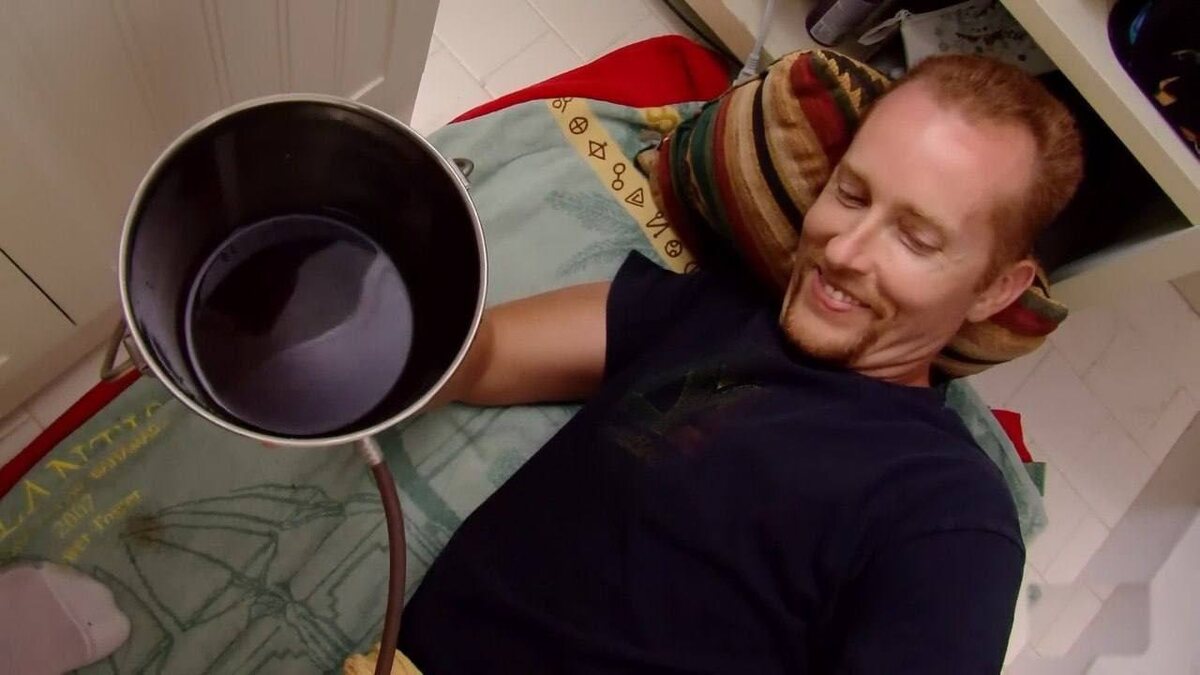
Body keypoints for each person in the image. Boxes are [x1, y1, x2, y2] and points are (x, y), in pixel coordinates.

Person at [397, 54, 1083, 673]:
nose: (844, 251)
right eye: (850, 194)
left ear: (995, 289)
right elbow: (481, 353)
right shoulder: (713, 314)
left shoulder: (949, 511)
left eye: (915, 238)